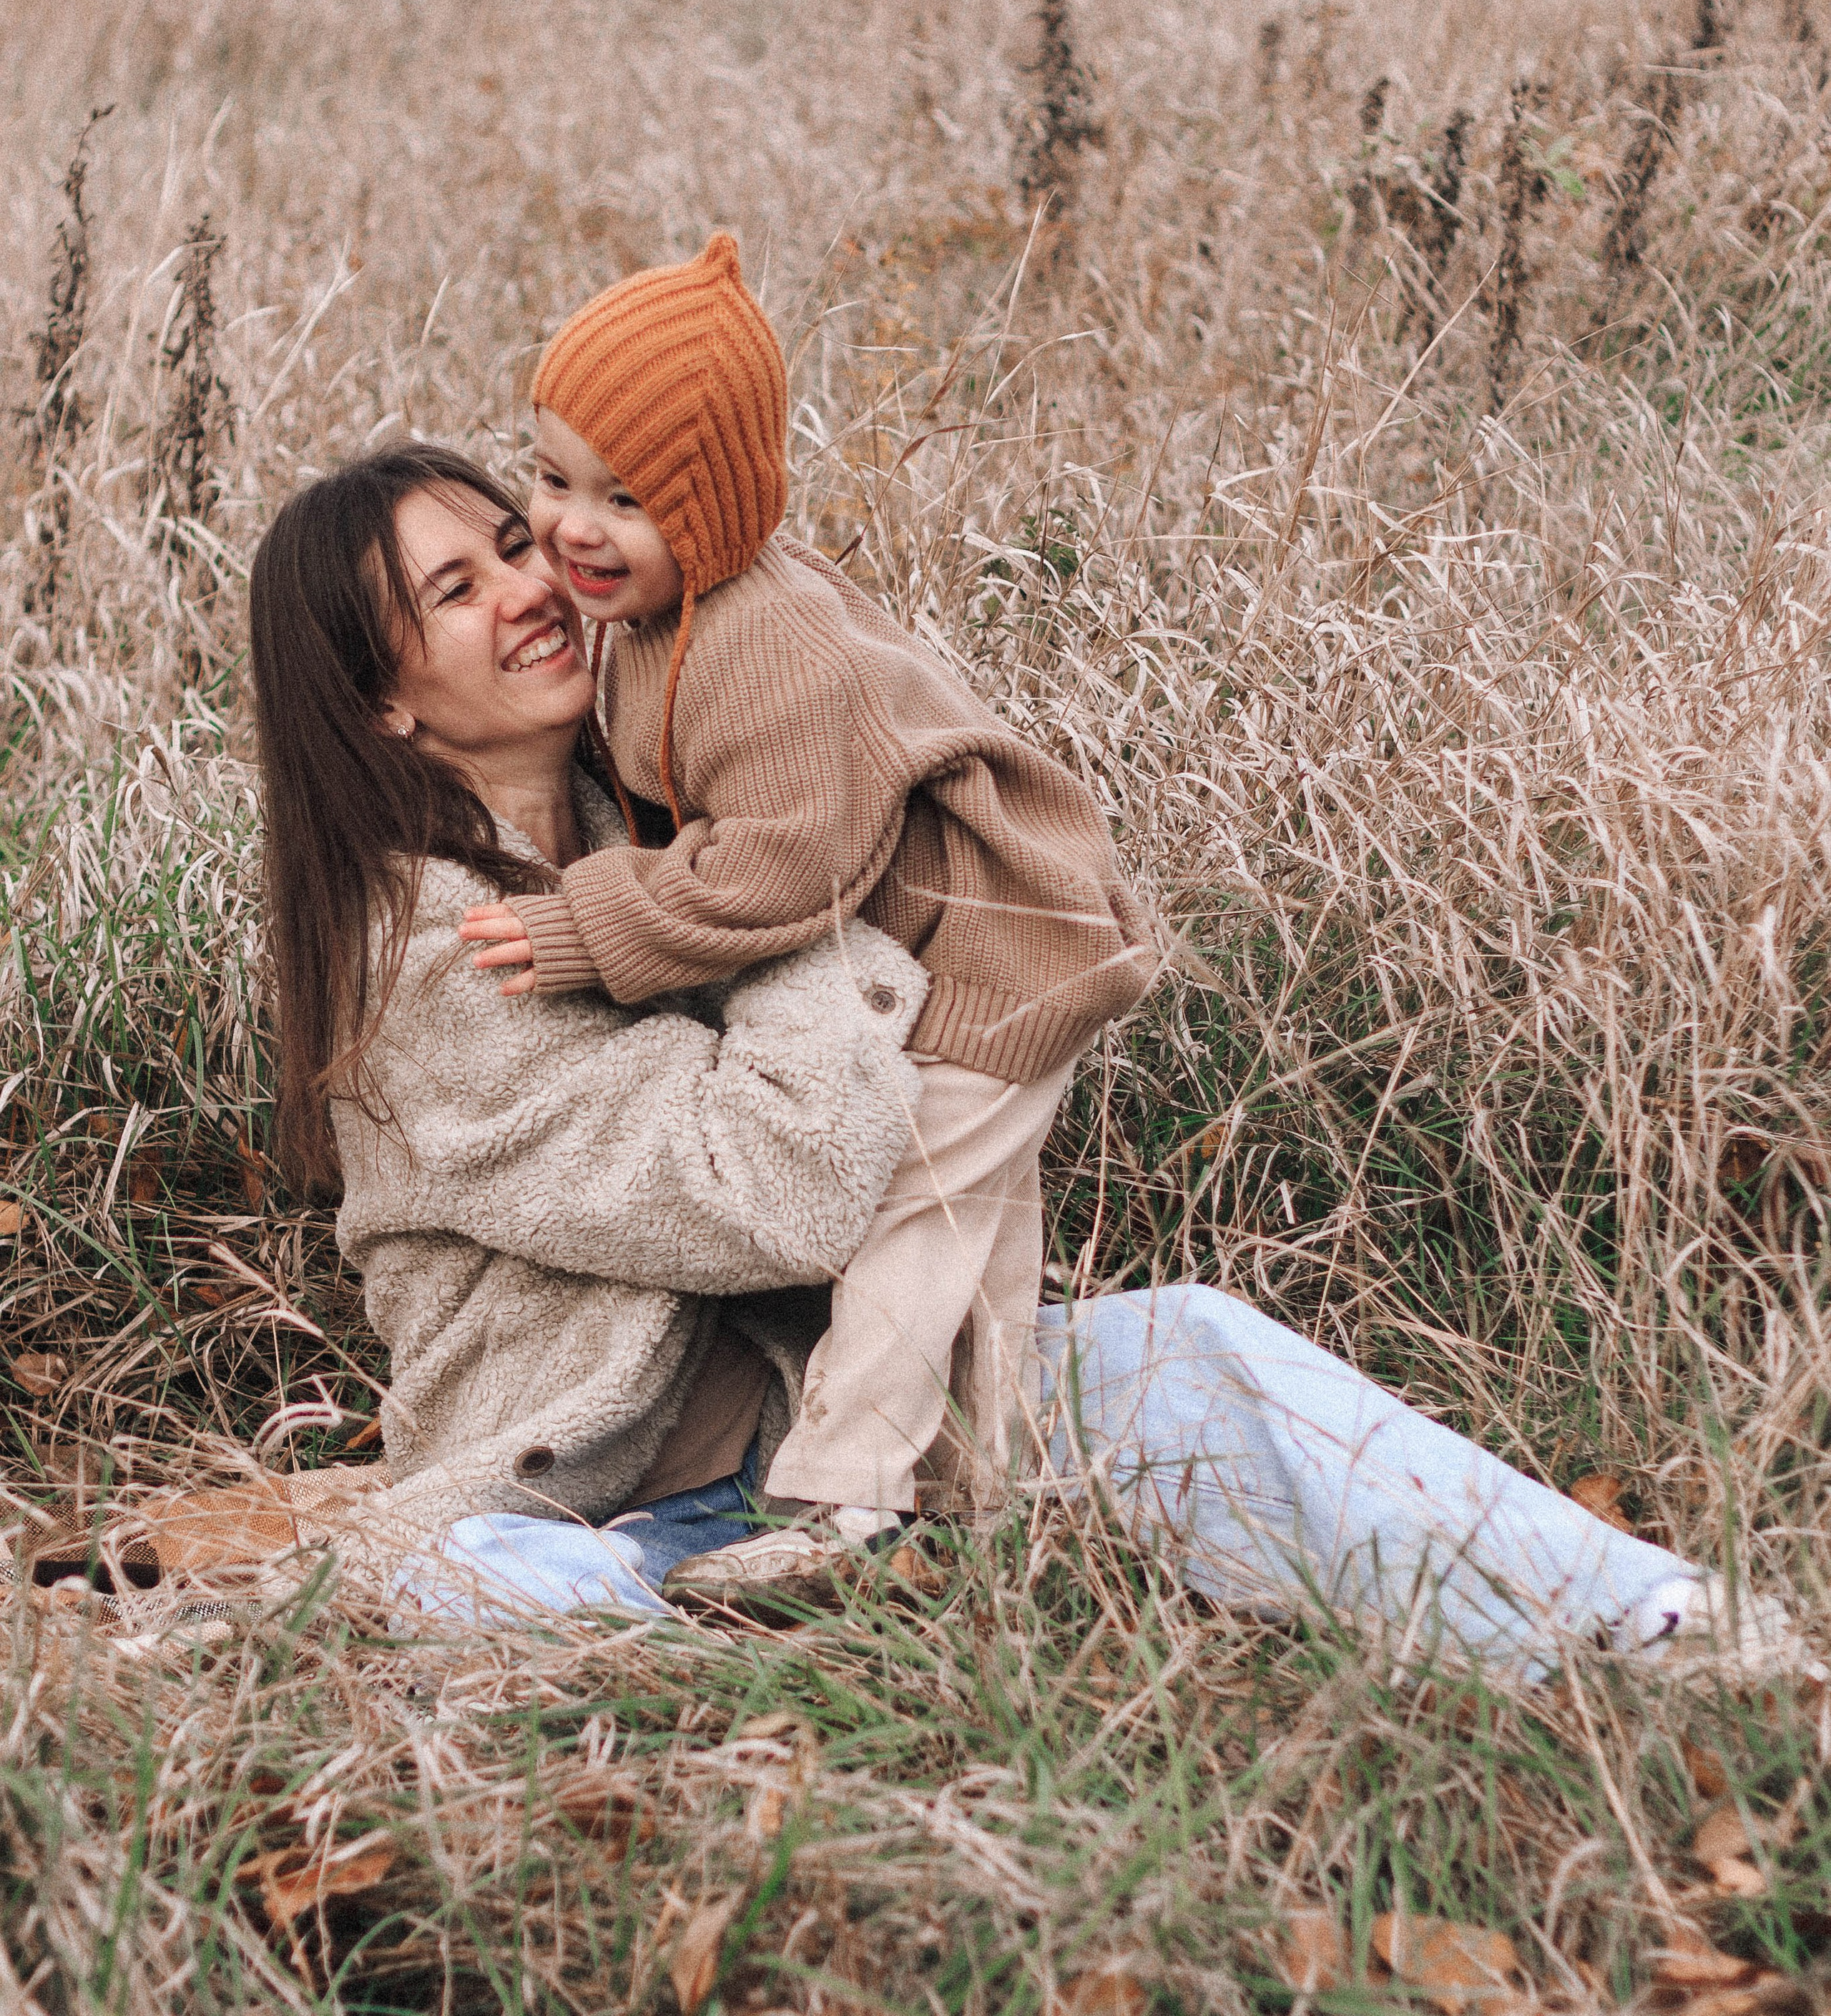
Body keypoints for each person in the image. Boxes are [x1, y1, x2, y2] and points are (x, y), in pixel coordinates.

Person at [242, 441, 1813, 1685]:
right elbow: (773, 1189)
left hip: (808, 1441)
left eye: (513, 541)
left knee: (1187, 1354)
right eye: (456, 590)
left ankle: (1667, 1637)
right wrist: (791, 881)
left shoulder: (630, 818)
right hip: (575, 1493)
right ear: (380, 700)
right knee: (480, 1593)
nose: (528, 584)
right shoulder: (428, 957)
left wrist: (754, 836)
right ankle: (758, 1683)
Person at [456, 233, 1157, 1572]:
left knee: (912, 1218)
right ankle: (993, 1492)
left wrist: (584, 927)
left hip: (1001, 952)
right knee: (978, 1232)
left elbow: (781, 872)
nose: (572, 528)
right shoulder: (663, 618)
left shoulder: (767, 649)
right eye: (550, 478)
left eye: (628, 499)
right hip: (967, 947)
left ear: (714, 515)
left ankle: (838, 1506)